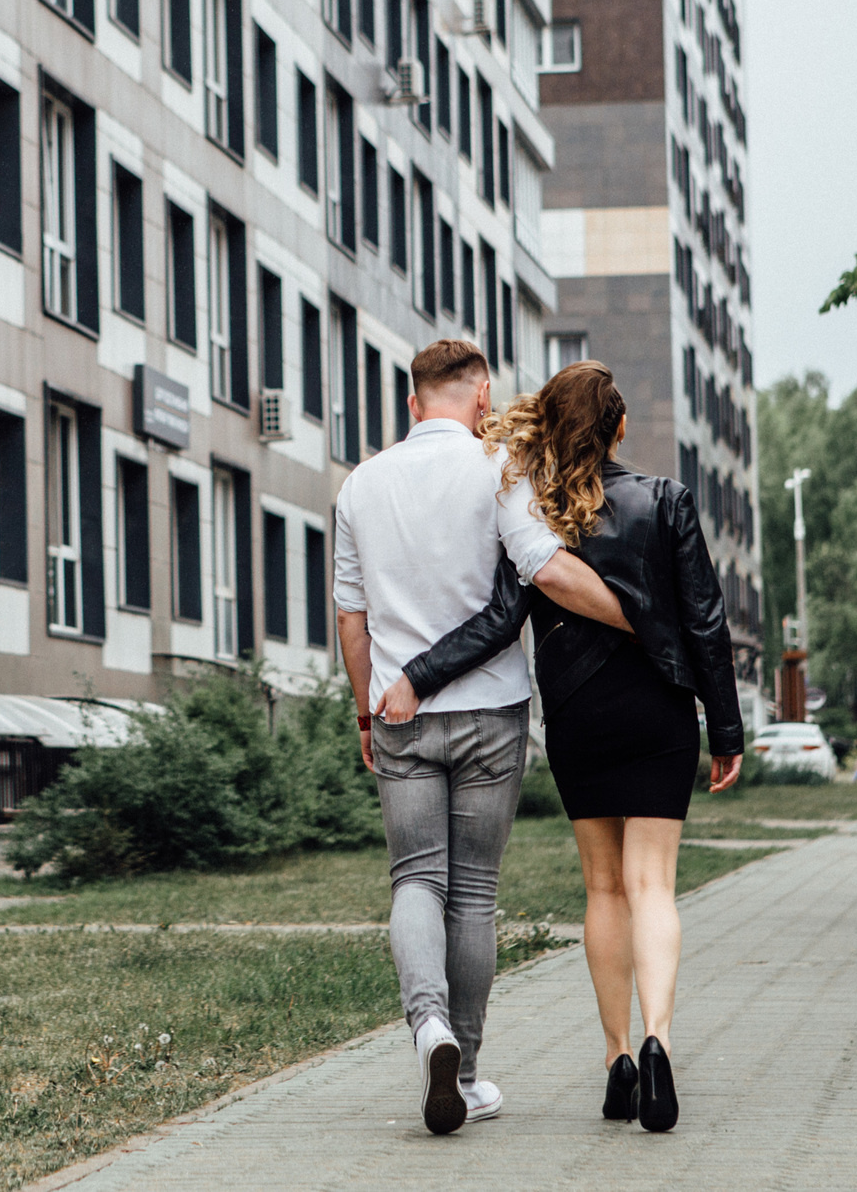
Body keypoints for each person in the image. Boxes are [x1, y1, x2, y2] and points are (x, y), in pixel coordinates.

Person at [384, 361, 743, 1135]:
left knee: (604, 889)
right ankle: (658, 1041)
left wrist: (415, 675)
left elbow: (497, 617)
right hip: (659, 713)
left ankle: (615, 1058)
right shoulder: (668, 500)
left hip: (580, 715)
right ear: (618, 428)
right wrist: (727, 729)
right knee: (653, 886)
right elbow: (706, 620)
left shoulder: (537, 513)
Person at [333, 339, 626, 1137]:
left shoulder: (361, 484)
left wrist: (365, 710)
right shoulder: (500, 469)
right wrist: (639, 617)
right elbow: (544, 569)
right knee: (473, 896)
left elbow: (351, 621)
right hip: (491, 712)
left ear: (412, 401)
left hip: (401, 712)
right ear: (481, 394)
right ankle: (461, 1071)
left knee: (415, 878)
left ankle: (427, 1025)